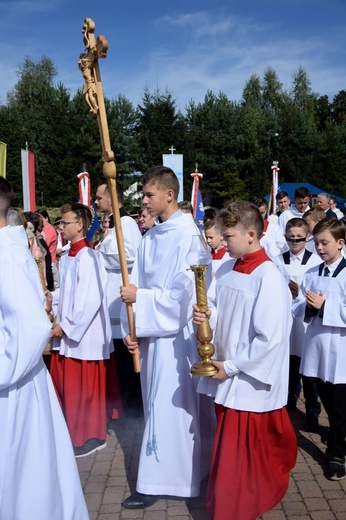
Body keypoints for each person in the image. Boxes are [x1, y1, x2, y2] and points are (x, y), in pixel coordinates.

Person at [194, 201, 297, 520]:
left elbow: (271, 338)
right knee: (228, 450)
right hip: (225, 372)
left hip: (246, 379)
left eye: (228, 236)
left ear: (251, 234)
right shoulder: (226, 266)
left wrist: (233, 367)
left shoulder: (269, 277)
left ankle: (235, 507)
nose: (222, 242)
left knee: (240, 452)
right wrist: (204, 314)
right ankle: (227, 503)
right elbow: (215, 305)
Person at [120, 165, 214, 509]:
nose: (144, 202)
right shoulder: (151, 238)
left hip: (178, 341)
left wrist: (140, 301)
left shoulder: (188, 236)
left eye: (149, 195)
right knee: (156, 408)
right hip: (153, 336)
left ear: (169, 195)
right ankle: (170, 473)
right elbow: (137, 287)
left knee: (172, 410)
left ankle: (162, 479)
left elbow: (184, 297)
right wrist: (133, 330)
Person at [0, 178, 89, 520]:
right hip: (14, 381)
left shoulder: (8, 258)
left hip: (13, 385)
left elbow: (33, 327)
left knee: (24, 481)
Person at [49, 202, 122, 458]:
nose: (61, 226)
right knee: (71, 388)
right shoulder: (70, 254)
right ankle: (73, 432)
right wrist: (52, 297)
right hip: (70, 333)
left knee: (86, 389)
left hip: (84, 335)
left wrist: (66, 327)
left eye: (64, 222)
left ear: (79, 225)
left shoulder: (88, 257)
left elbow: (89, 300)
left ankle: (93, 436)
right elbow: (69, 293)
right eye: (61, 222)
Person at [292, 218, 346, 480]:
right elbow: (297, 307)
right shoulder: (311, 274)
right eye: (317, 243)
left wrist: (325, 308)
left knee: (338, 407)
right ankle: (338, 438)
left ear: (340, 242)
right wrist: (308, 307)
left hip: (341, 352)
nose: (320, 248)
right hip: (317, 349)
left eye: (325, 243)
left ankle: (337, 454)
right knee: (326, 400)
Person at [95, 182, 142, 414]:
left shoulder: (127, 223)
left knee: (125, 357)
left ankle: (133, 409)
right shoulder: (114, 224)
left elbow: (130, 256)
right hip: (111, 298)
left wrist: (100, 252)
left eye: (99, 197)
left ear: (112, 197)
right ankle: (123, 407)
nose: (95, 202)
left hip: (121, 300)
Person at [274, 218, 321, 431]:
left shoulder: (315, 262)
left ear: (307, 237)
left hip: (306, 322)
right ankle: (288, 402)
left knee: (309, 369)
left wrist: (300, 291)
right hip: (285, 320)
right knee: (288, 365)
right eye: (290, 238)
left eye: (299, 239)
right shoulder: (276, 259)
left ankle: (312, 412)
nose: (294, 242)